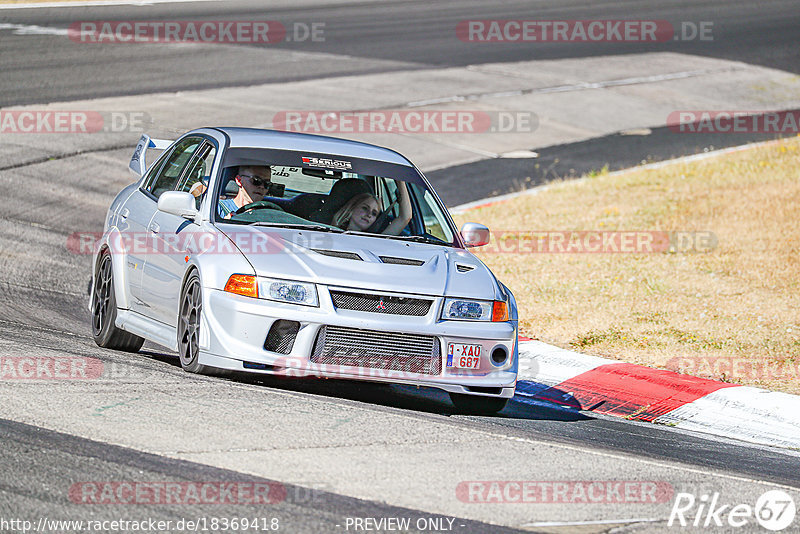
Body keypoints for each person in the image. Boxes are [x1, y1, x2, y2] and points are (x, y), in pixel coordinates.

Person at [332, 180, 411, 235]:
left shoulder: (374, 240)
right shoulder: (327, 230)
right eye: (365, 208)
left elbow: (405, 218)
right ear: (352, 207)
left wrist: (400, 180)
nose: (369, 214)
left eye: (374, 213)